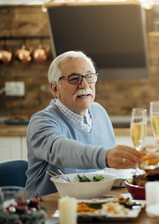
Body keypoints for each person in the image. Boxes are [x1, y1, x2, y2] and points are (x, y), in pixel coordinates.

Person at [25, 51, 141, 198]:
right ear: (55, 88)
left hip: (94, 205)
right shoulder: (41, 122)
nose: (84, 85)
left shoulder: (99, 112)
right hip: (49, 210)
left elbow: (107, 173)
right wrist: (106, 157)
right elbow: (59, 149)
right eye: (74, 79)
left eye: (89, 77)